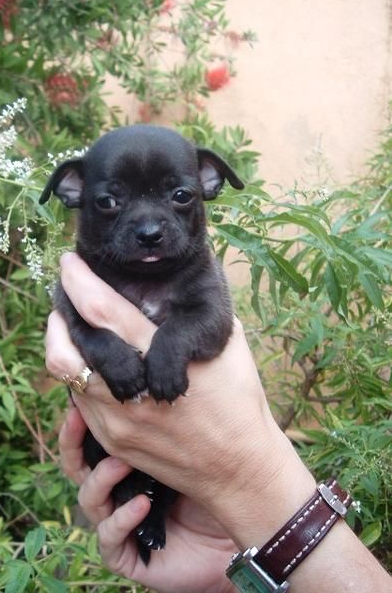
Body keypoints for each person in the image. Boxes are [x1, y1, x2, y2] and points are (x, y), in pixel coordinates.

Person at [45, 252, 391, 593]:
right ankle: (149, 504)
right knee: (109, 463)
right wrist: (229, 575)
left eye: (180, 196)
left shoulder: (193, 273)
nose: (149, 226)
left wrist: (239, 480)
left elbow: (211, 321)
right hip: (154, 485)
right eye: (108, 203)